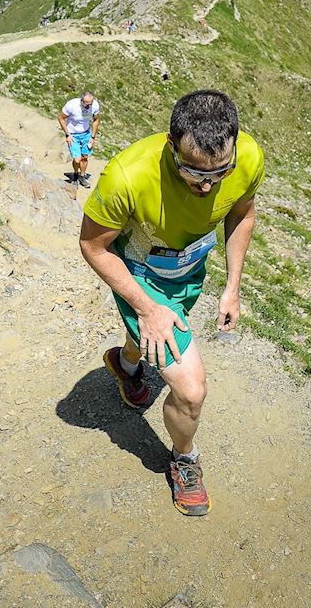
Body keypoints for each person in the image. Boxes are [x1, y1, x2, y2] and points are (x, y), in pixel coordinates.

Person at [78, 90, 263, 516]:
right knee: (190, 388)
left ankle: (125, 365)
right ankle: (185, 459)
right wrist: (147, 308)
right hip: (141, 276)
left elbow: (243, 213)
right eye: (191, 171)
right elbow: (92, 246)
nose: (205, 186)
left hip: (189, 273)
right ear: (170, 143)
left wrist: (232, 285)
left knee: (153, 343)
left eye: (220, 173)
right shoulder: (127, 176)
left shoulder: (249, 156)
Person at [58, 91, 101, 186]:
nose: (88, 107)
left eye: (90, 104)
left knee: (85, 157)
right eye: (86, 104)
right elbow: (61, 117)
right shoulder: (72, 105)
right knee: (77, 159)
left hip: (86, 133)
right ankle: (75, 174)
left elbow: (96, 120)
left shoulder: (94, 106)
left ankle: (82, 176)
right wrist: (67, 134)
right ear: (81, 101)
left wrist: (93, 137)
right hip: (73, 134)